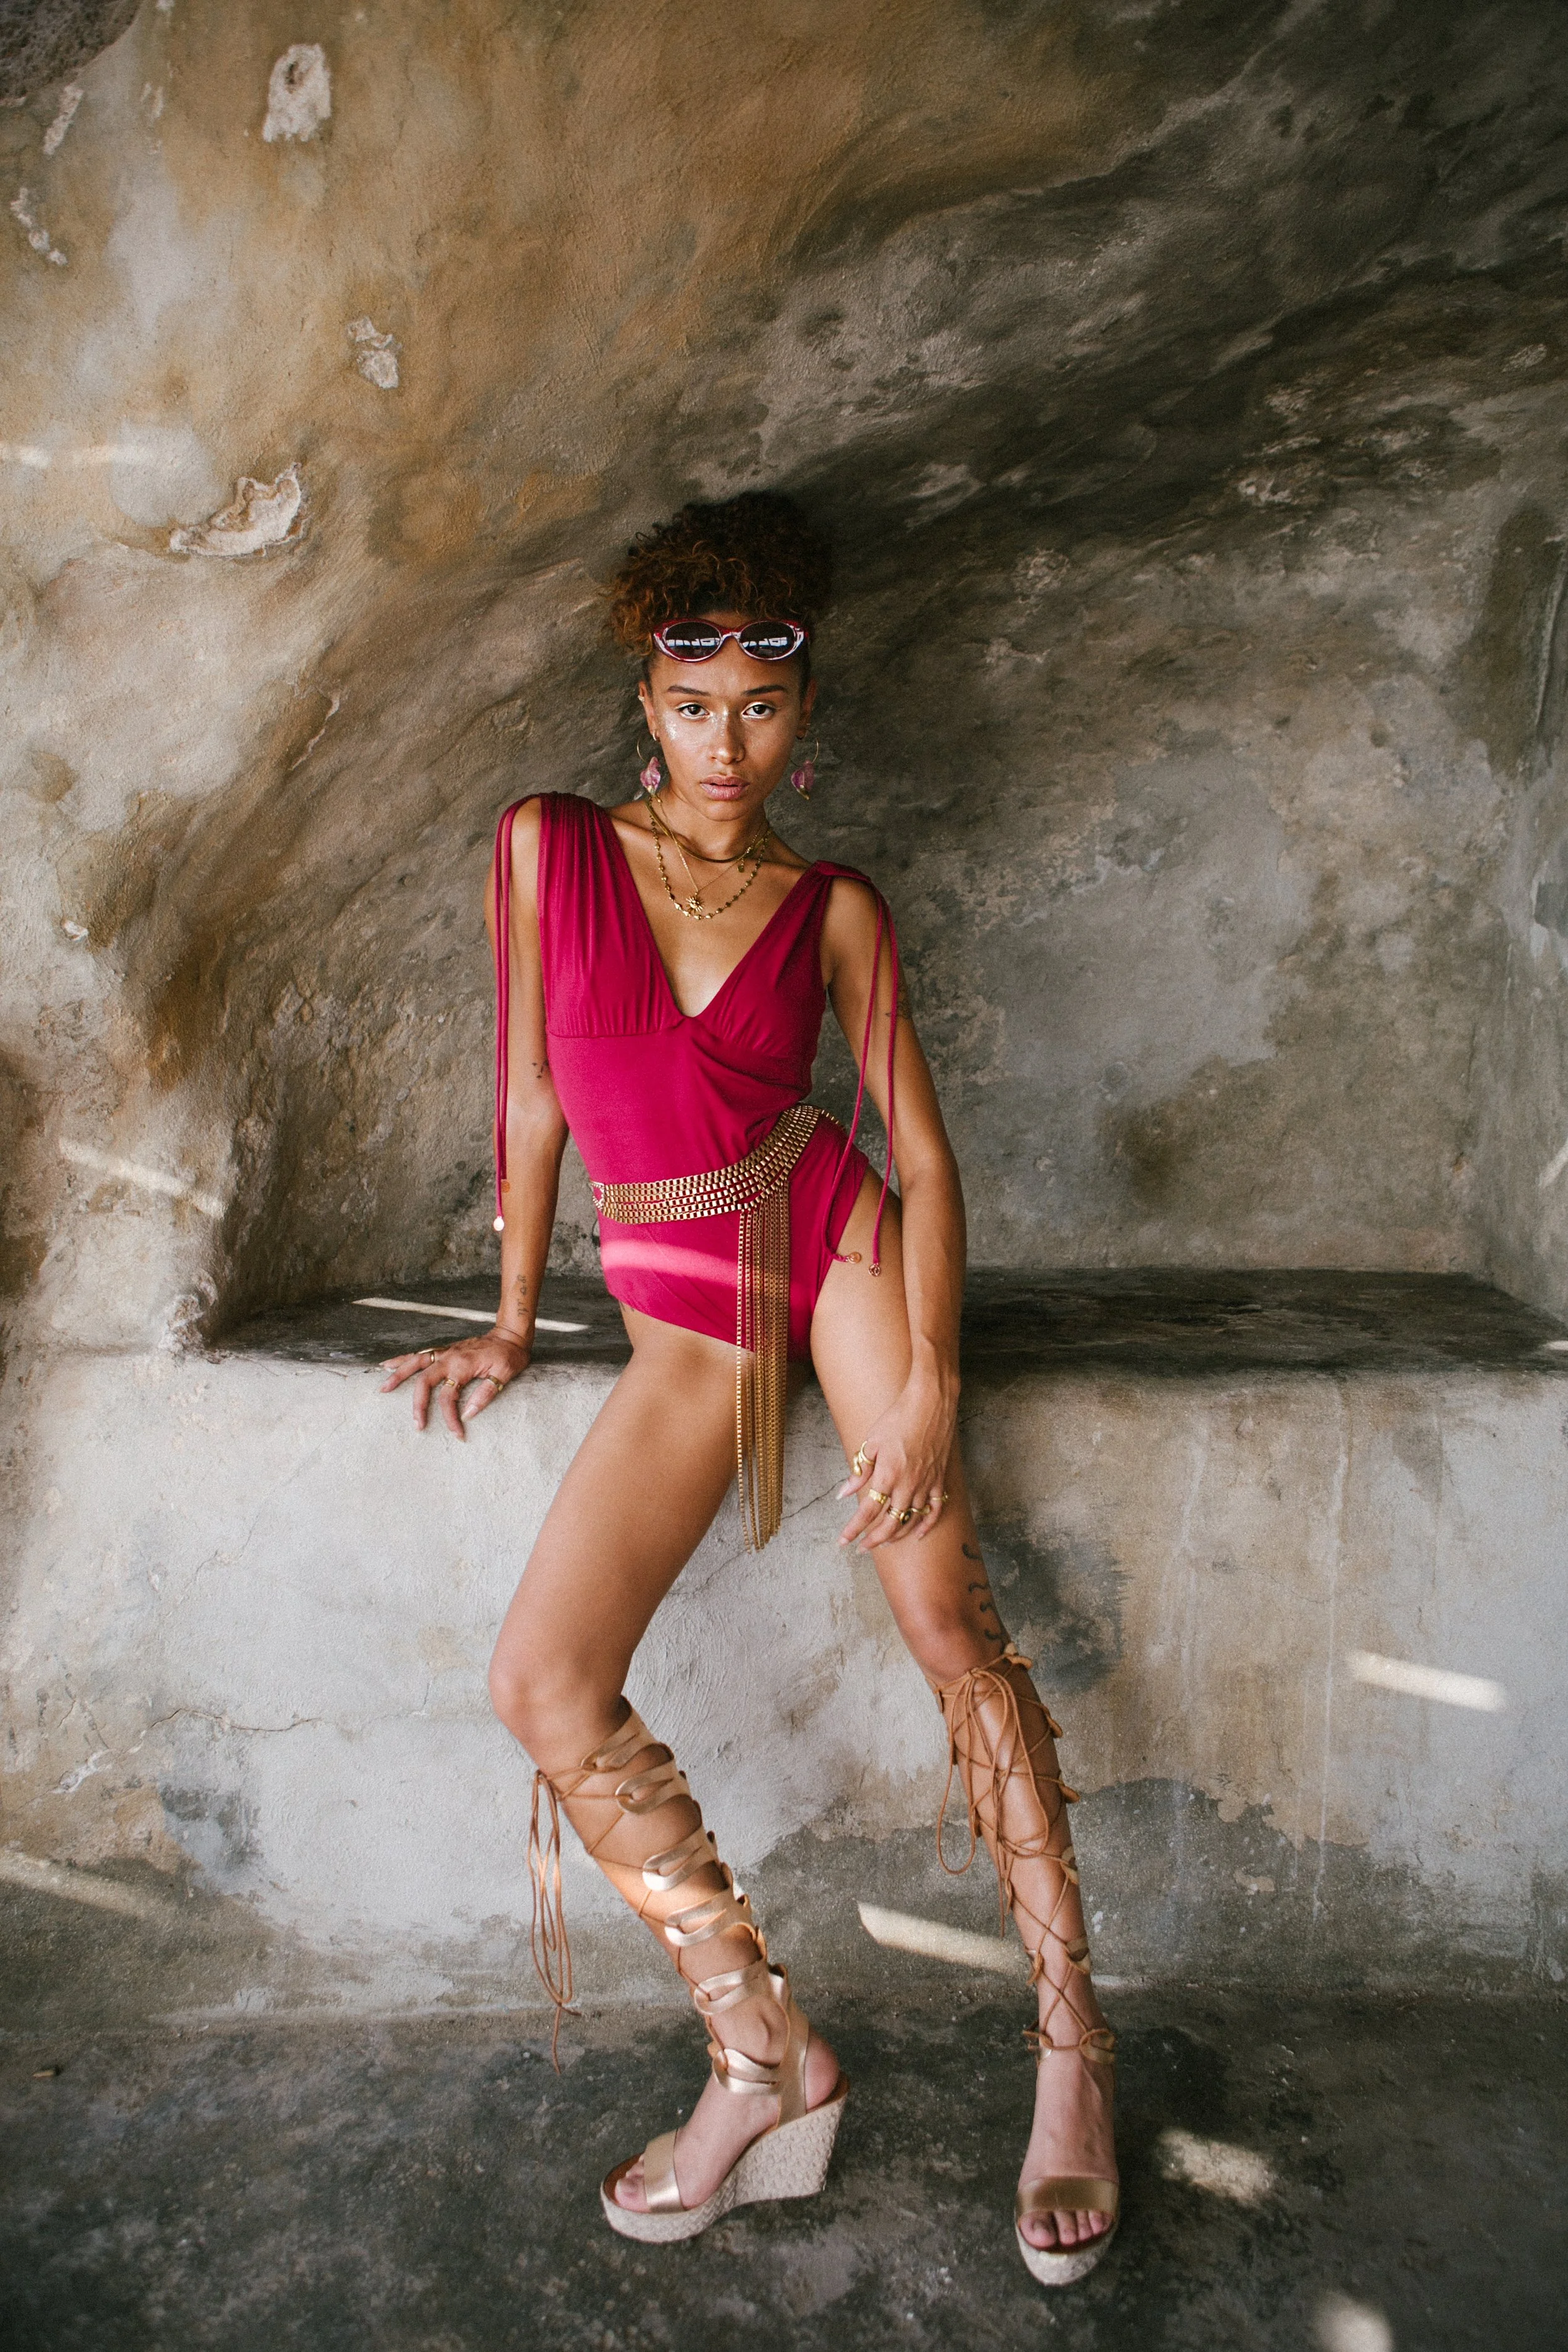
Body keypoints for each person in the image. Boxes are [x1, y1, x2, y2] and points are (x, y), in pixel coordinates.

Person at [379, 493, 1119, 2285]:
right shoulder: (547, 850)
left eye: (762, 708)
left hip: (835, 1235)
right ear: (646, 695)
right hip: (686, 1316)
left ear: (804, 708)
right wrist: (502, 1315)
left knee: (944, 1612)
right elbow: (535, 1100)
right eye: (692, 702)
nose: (727, 745)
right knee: (542, 1681)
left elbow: (919, 1165)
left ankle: (1073, 2054)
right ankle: (761, 2050)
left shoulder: (831, 905)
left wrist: (926, 1379)